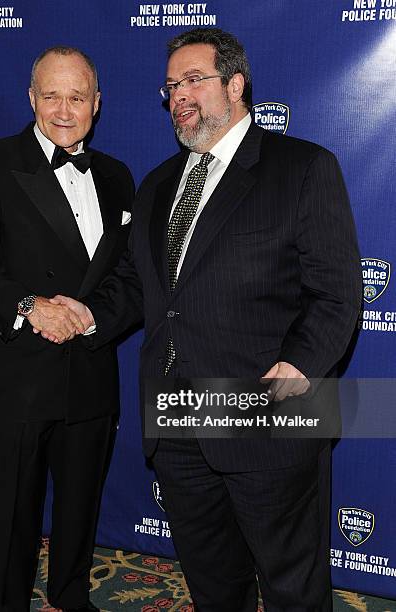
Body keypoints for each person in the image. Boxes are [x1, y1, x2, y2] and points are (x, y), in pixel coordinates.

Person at [44, 29, 362, 611]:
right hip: (179, 424)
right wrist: (88, 315)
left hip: (272, 417)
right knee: (215, 585)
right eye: (171, 87)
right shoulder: (161, 183)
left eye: (194, 80)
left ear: (236, 85)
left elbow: (337, 295)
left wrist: (295, 372)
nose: (180, 96)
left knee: (293, 588)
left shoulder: (303, 168)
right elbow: (143, 286)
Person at [0, 46, 134, 611]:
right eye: (51, 95)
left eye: (77, 97)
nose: (63, 109)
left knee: (80, 505)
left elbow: (130, 273)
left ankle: (70, 592)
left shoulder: (119, 177)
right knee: (10, 513)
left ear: (96, 105)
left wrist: (92, 318)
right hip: (22, 372)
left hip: (91, 368)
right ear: (31, 98)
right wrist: (31, 306)